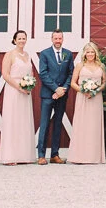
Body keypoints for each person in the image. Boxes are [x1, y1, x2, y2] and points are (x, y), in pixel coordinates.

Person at [0, 30, 36, 164]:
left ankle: (24, 155)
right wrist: (19, 87)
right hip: (13, 90)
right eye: (19, 38)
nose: (21, 40)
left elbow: (31, 73)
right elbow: (5, 74)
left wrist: (29, 85)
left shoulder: (27, 55)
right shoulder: (9, 54)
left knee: (24, 121)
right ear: (14, 40)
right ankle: (10, 156)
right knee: (13, 121)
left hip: (25, 92)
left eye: (23, 38)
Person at [37, 29, 74, 164]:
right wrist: (55, 88)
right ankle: (41, 155)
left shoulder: (68, 54)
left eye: (60, 38)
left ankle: (54, 154)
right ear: (52, 39)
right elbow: (43, 73)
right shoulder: (45, 54)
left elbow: (71, 73)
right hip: (48, 95)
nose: (58, 41)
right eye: (55, 38)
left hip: (62, 94)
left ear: (62, 39)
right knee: (44, 124)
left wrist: (63, 88)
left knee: (58, 124)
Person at [68, 41, 106, 164]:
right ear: (84, 53)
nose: (90, 54)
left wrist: (96, 90)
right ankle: (80, 156)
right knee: (82, 125)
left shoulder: (101, 66)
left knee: (94, 126)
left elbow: (104, 82)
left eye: (92, 52)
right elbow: (73, 83)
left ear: (96, 53)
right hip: (83, 98)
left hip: (96, 98)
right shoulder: (80, 66)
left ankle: (94, 156)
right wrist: (83, 91)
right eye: (88, 52)